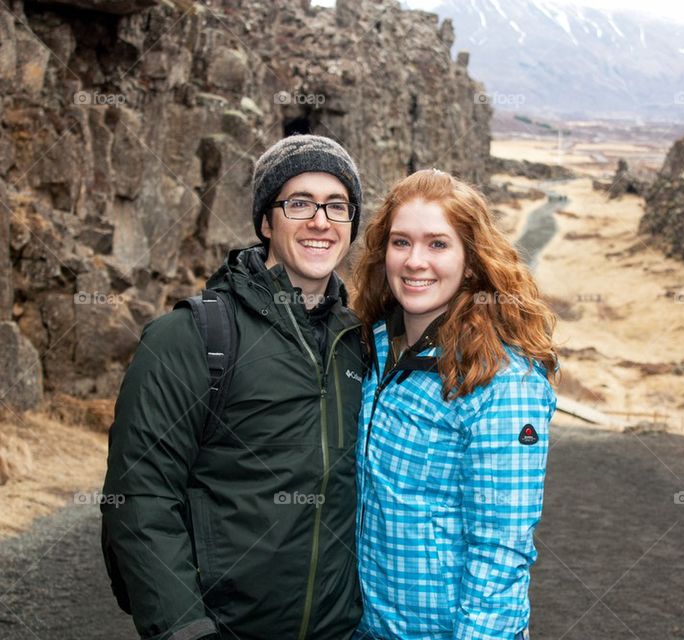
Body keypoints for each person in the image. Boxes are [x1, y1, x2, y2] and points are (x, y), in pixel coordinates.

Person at [101, 135, 367, 640]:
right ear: (266, 222)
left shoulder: (359, 344)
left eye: (337, 206)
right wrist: (185, 630)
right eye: (299, 203)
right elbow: (140, 494)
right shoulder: (192, 336)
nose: (320, 221)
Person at [351, 169, 559, 640]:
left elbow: (501, 550)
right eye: (400, 242)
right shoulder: (374, 345)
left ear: (470, 261)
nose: (415, 261)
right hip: (365, 627)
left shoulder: (501, 379)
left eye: (438, 244)